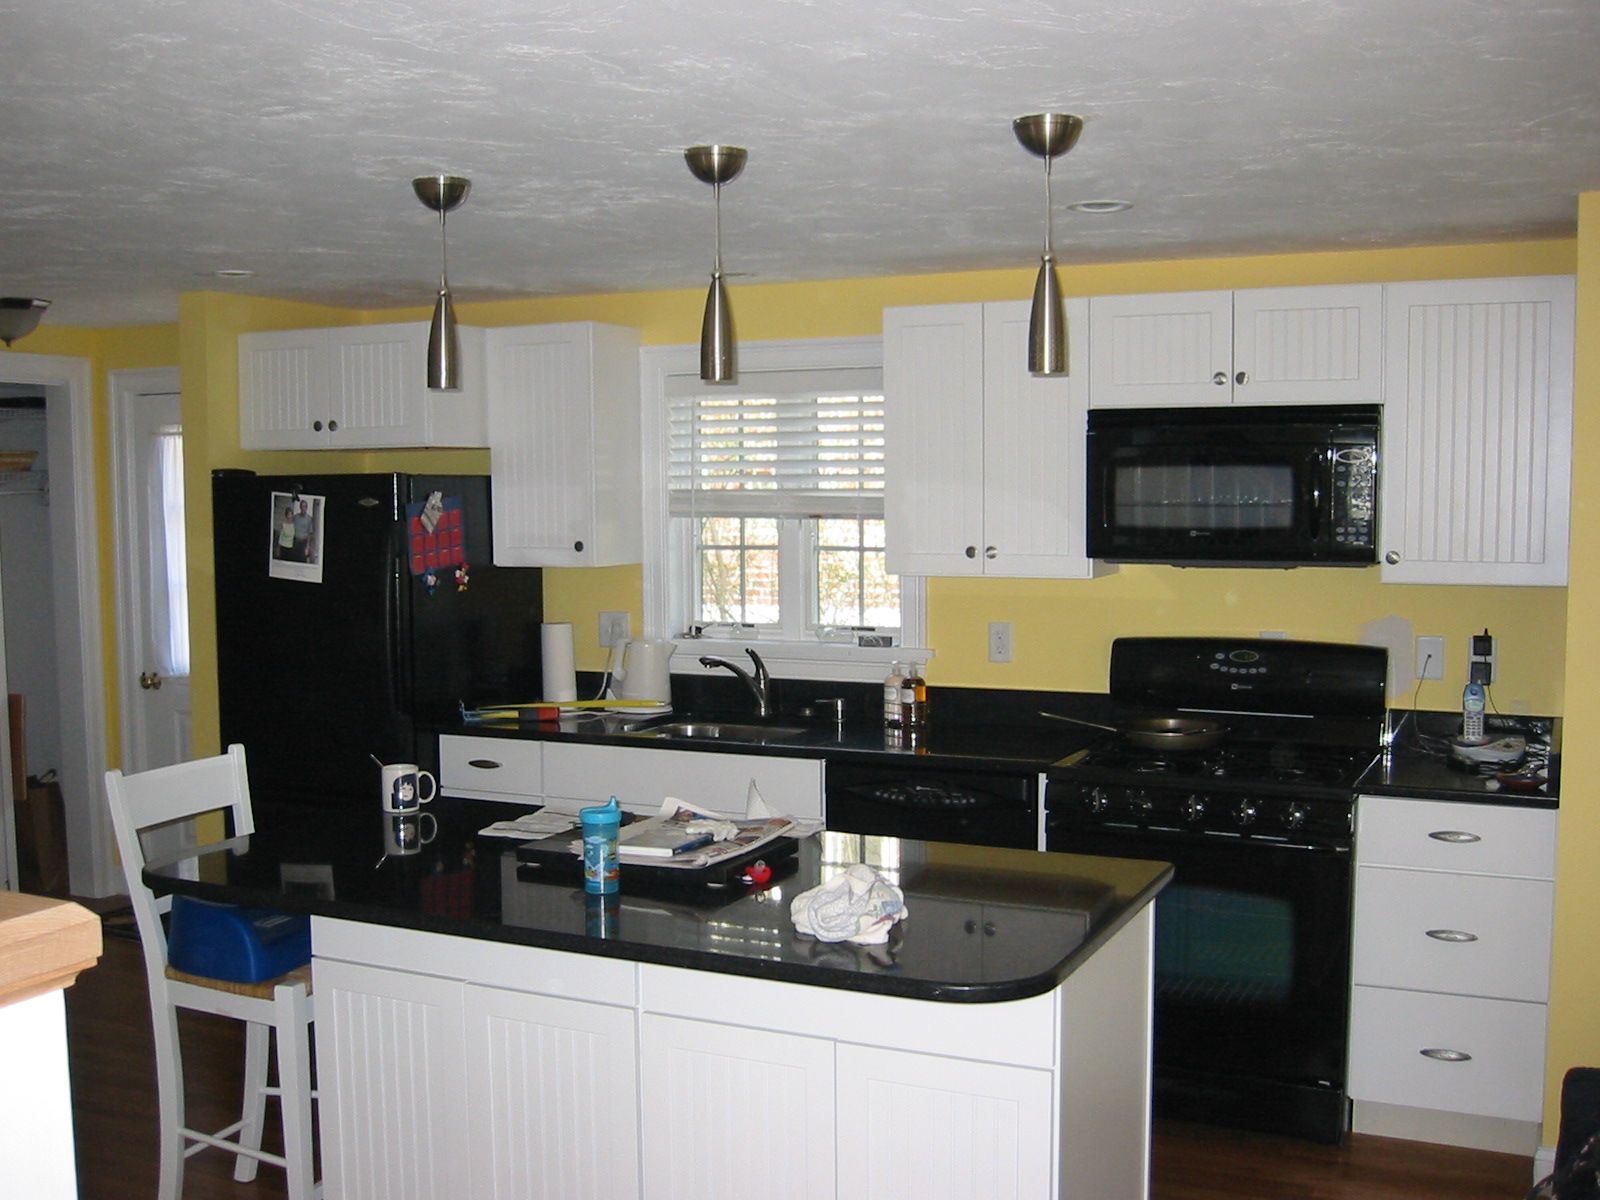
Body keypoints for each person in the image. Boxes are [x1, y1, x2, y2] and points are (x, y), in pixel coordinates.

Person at [292, 498, 315, 563]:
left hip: (303, 543)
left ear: (307, 508)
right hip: (295, 542)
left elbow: (309, 534)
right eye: (302, 506)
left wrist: (307, 547)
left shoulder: (309, 519)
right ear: (300, 507)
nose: (303, 508)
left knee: (302, 561)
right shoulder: (295, 517)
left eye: (305, 506)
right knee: (294, 560)